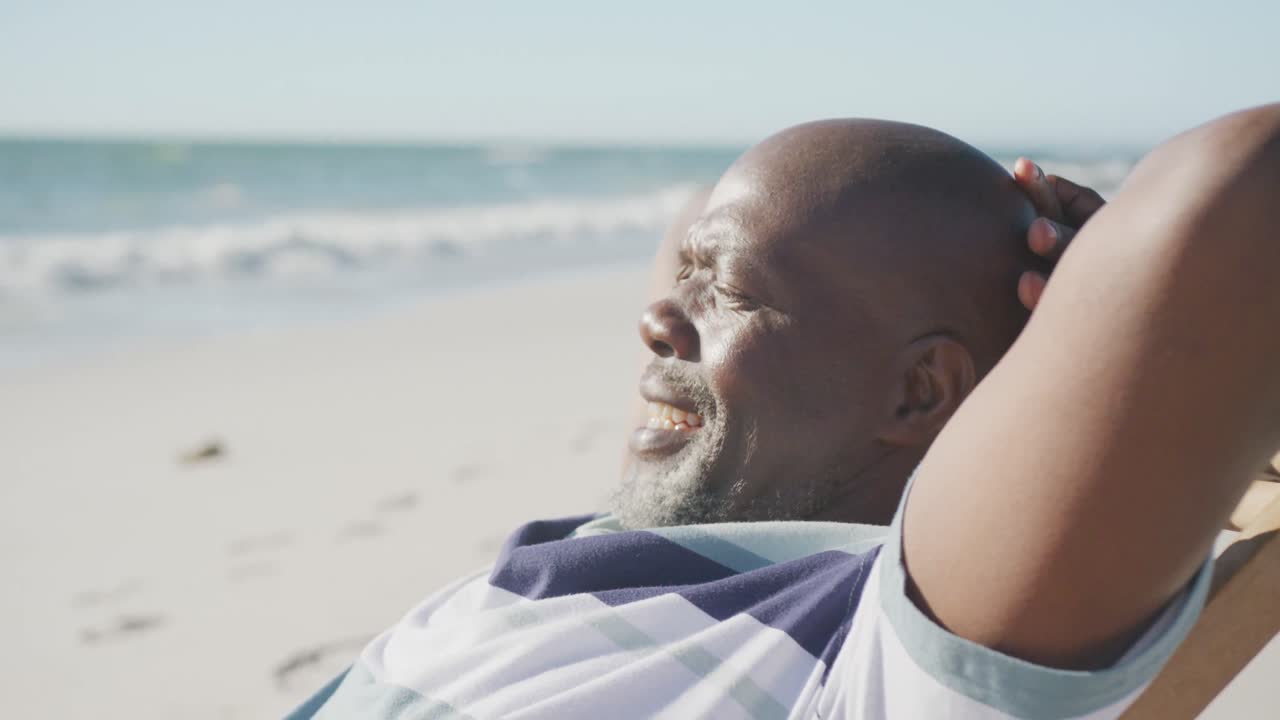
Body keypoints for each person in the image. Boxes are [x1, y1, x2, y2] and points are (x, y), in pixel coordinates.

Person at [289, 105, 1280, 719]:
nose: (652, 319)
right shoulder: (658, 531)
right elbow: (708, 210)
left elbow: (1244, 189)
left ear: (919, 393)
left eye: (721, 289)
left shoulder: (883, 654)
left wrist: (1115, 296)